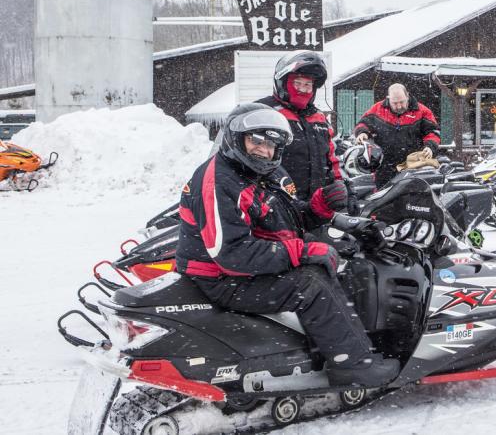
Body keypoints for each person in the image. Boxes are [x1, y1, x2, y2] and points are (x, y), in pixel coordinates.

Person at [175, 103, 399, 387]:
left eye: (271, 145)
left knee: (337, 263)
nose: (264, 150)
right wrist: (301, 251)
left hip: (236, 269)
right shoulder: (219, 181)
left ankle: (322, 348)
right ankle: (352, 366)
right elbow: (231, 254)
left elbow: (282, 221)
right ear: (235, 138)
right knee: (310, 284)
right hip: (220, 278)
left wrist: (318, 207)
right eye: (256, 140)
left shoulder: (253, 173)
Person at [256, 50, 354, 221]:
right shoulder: (264, 112)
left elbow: (332, 161)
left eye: (308, 85)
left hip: (316, 209)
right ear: (283, 83)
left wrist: (345, 188)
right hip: (275, 208)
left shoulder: (319, 118)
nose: (303, 89)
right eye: (297, 83)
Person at [354, 83, 441, 188]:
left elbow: (433, 132)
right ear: (388, 98)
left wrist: (430, 146)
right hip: (384, 167)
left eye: (402, 102)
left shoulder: (422, 111)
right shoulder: (378, 109)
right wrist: (362, 132)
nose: (399, 106)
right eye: (395, 103)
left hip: (413, 166)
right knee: (383, 199)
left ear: (407, 96)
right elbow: (363, 123)